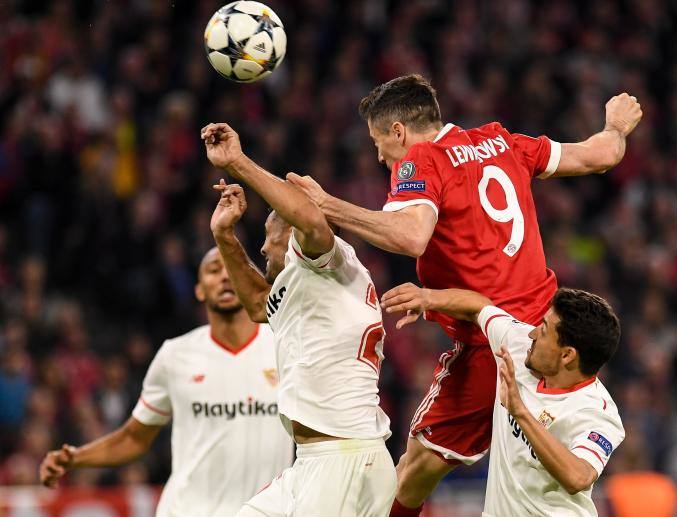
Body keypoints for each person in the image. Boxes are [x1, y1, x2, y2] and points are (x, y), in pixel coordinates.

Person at [287, 74, 642, 515]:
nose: (379, 155)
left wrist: (327, 205)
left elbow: (412, 235)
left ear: (399, 131)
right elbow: (600, 155)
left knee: (411, 474)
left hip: (495, 342)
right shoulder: (501, 141)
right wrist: (616, 126)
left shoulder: (422, 159)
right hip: (549, 333)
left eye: (379, 141)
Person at [201, 122, 396, 517]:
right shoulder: (307, 282)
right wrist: (224, 237)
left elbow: (310, 219)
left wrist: (237, 162)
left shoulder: (328, 260)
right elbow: (259, 306)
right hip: (313, 462)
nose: (262, 245)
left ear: (291, 235)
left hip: (343, 459)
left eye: (268, 234)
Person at [38, 247, 294, 517]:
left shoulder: (283, 345)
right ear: (199, 290)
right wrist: (76, 458)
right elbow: (135, 437)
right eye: (213, 270)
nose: (225, 277)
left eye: (232, 268)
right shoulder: (175, 355)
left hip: (266, 512)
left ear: (249, 279)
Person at [381, 283, 624, 516]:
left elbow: (578, 477)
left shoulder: (597, 413)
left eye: (544, 328)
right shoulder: (519, 346)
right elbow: (480, 307)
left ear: (568, 355)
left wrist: (520, 413)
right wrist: (429, 298)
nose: (532, 332)